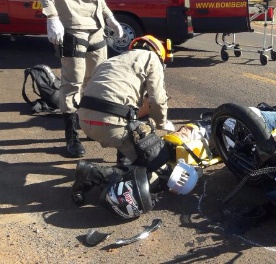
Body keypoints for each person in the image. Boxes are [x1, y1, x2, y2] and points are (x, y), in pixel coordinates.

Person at [33, 0, 128, 157]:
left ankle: (88, 124)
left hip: (95, 26)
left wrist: (110, 18)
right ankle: (72, 136)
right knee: (72, 82)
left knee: (97, 80)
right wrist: (51, 15)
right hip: (72, 25)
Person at [70, 35, 197, 219]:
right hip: (110, 124)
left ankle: (124, 162)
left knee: (136, 129)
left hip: (85, 119)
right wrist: (162, 123)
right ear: (157, 52)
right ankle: (92, 173)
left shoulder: (112, 60)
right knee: (156, 159)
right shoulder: (152, 59)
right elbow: (157, 99)